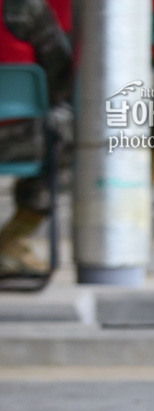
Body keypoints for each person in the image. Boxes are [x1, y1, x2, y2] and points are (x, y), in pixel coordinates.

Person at [0, 0, 71, 281]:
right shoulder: (24, 8)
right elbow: (60, 74)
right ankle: (14, 240)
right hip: (17, 139)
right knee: (71, 141)